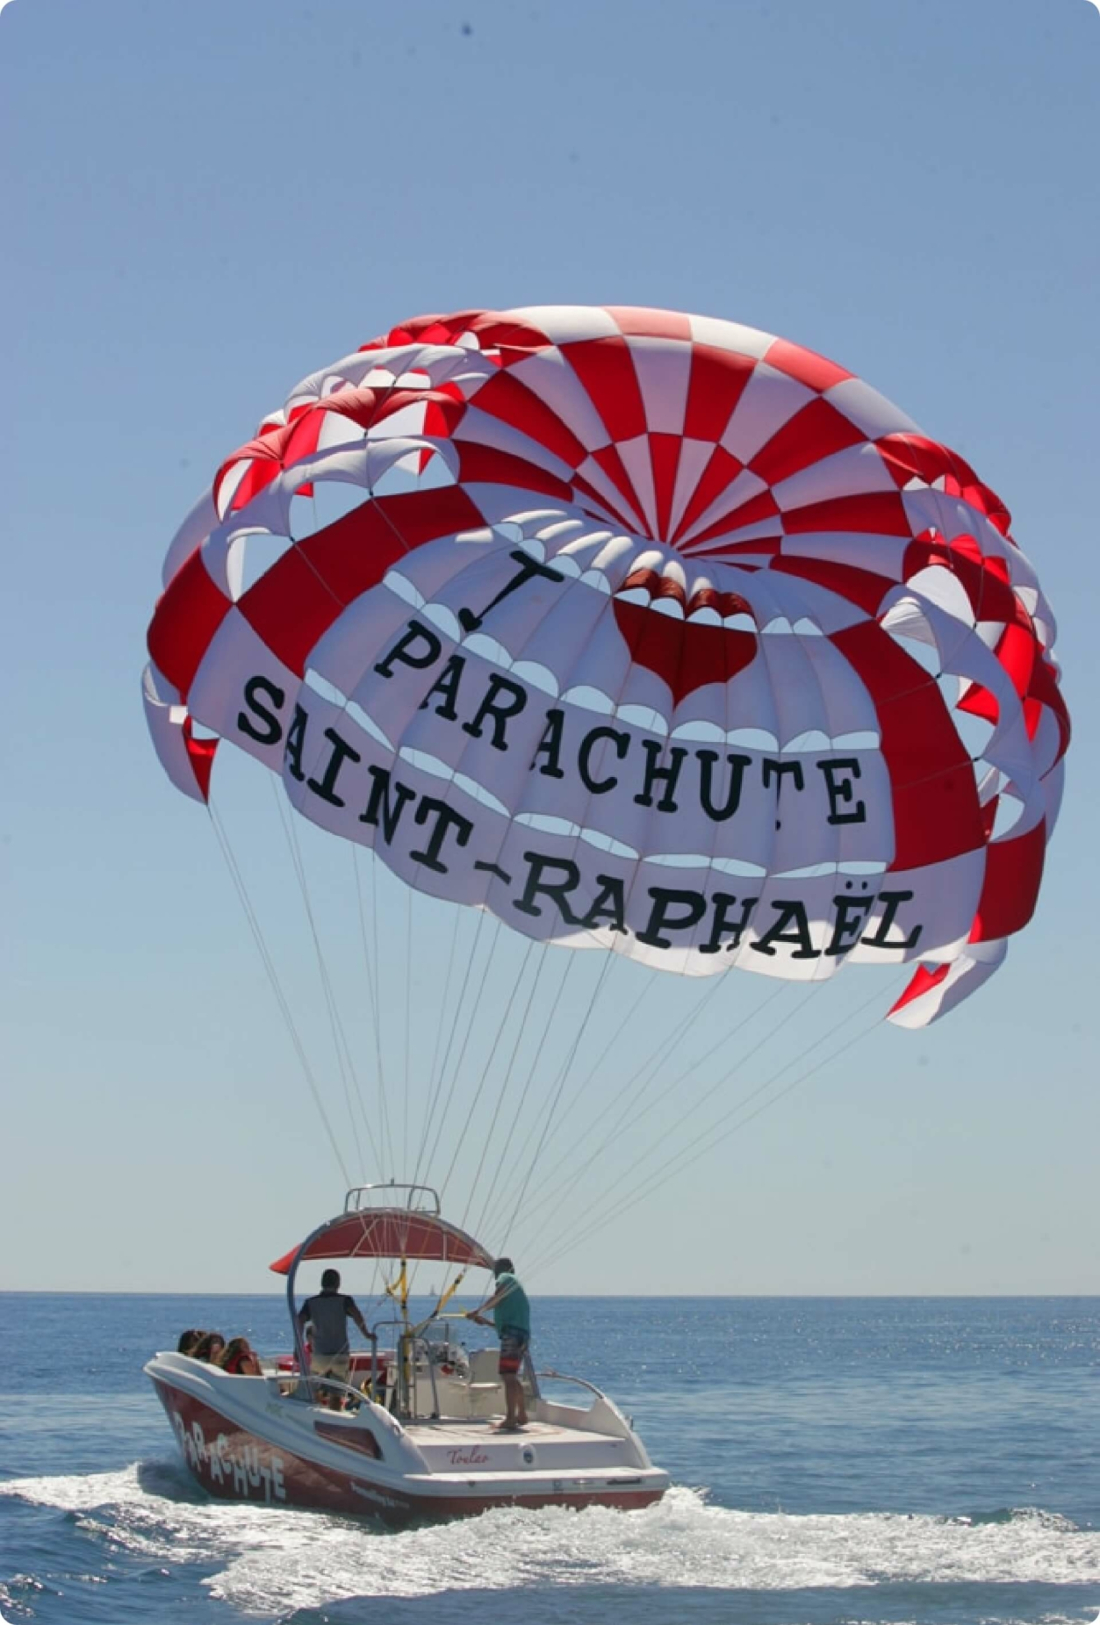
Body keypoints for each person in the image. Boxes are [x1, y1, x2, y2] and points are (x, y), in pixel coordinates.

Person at [469, 1257, 531, 1432]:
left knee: (508, 1376)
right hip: (521, 1335)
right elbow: (508, 1320)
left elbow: (498, 1296)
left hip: (511, 1334)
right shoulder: (517, 1286)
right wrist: (485, 1321)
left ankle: (510, 1418)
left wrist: (478, 1311)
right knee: (512, 1375)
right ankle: (522, 1414)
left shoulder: (505, 1278)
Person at [297, 1268, 370, 1408]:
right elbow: (356, 1314)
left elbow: (300, 1320)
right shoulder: (344, 1300)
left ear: (322, 1283)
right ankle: (335, 1415)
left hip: (320, 1353)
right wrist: (366, 1334)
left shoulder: (311, 1302)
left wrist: (298, 1344)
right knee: (337, 1392)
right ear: (338, 1283)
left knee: (314, 1388)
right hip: (340, 1353)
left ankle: (316, 1415)